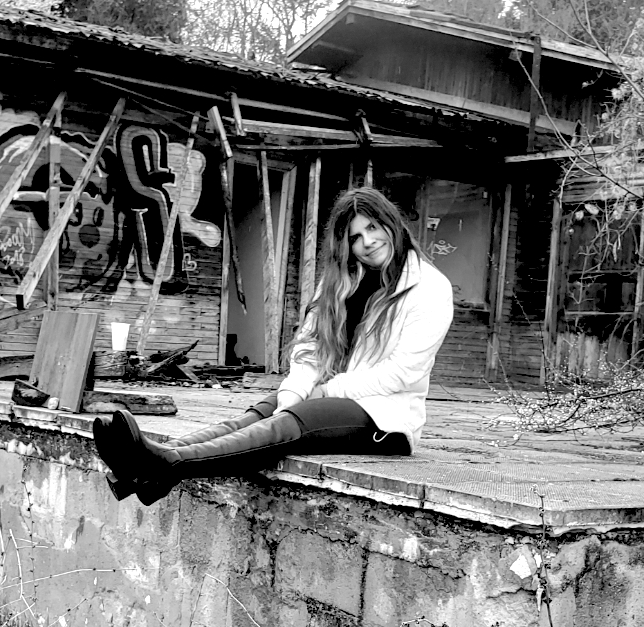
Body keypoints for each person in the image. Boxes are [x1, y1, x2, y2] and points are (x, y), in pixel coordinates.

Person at [93, 187, 453, 506]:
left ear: (391, 223)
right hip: (333, 399)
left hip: (385, 418)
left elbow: (403, 372)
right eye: (356, 236)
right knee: (262, 412)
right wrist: (296, 389)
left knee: (292, 422)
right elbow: (311, 347)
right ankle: (140, 467)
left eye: (372, 228)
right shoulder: (343, 281)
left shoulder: (429, 288)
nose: (368, 242)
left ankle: (166, 465)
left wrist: (328, 391)